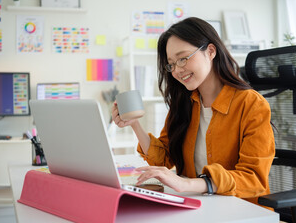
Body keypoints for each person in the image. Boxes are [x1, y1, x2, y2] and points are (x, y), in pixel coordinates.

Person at [111, 17, 275, 207]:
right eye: (171, 64)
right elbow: (164, 159)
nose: (177, 70)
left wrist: (187, 183)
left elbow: (253, 178)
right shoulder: (184, 103)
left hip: (241, 209)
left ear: (211, 51)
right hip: (197, 206)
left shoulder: (251, 104)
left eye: (183, 58)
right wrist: (134, 124)